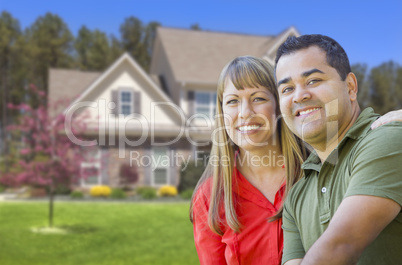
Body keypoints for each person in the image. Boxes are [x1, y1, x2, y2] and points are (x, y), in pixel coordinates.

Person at [274, 34, 402, 265]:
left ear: (351, 87)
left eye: (313, 80)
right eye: (287, 89)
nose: (300, 95)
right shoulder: (296, 195)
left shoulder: (388, 138)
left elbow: (341, 244)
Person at [190, 56, 307, 265]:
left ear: (279, 106)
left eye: (258, 98)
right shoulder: (210, 197)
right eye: (233, 101)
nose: (245, 113)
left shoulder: (315, 172)